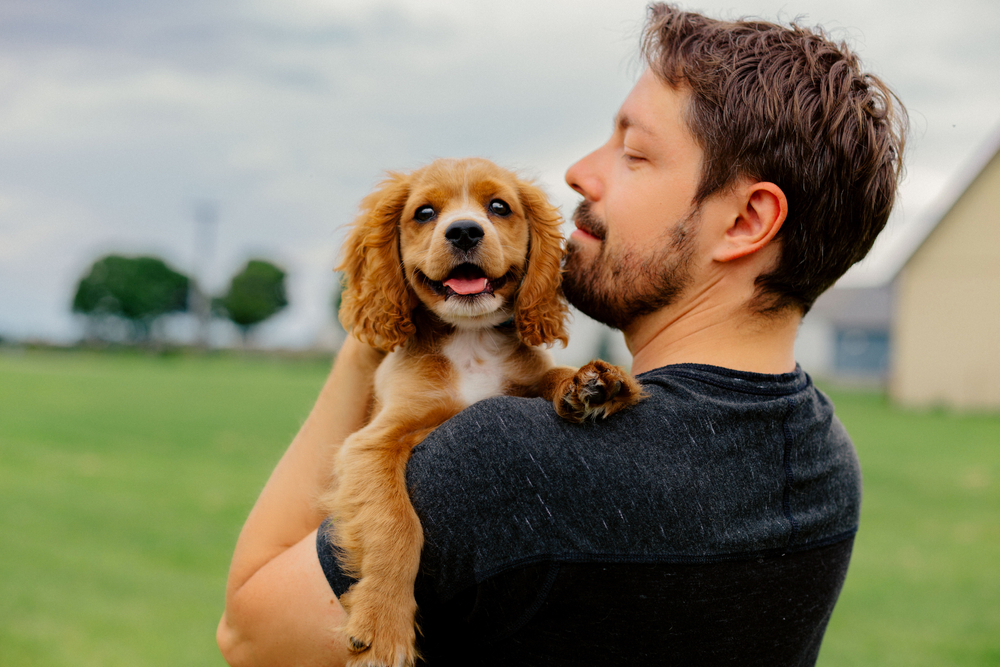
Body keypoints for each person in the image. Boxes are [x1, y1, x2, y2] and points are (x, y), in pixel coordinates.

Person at [217, 4, 907, 666]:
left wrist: (367, 335)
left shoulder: (499, 458)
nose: (578, 172)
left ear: (746, 220)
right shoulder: (823, 457)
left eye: (634, 153)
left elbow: (250, 636)